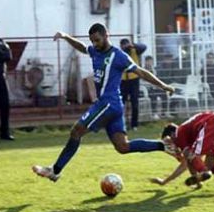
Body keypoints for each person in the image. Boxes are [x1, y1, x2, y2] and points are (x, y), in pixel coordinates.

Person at [31, 23, 174, 182]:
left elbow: (140, 72)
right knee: (123, 147)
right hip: (114, 106)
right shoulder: (95, 51)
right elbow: (83, 47)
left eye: (97, 40)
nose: (95, 44)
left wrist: (162, 85)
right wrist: (65, 36)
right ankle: (163, 146)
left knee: (77, 130)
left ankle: (55, 170)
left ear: (107, 35)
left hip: (108, 104)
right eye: (93, 41)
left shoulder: (118, 56)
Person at [150, 111, 214, 191]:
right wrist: (198, 181)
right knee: (209, 166)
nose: (170, 146)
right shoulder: (186, 133)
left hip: (212, 124)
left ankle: (203, 173)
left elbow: (185, 163)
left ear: (171, 135)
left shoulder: (178, 134)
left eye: (169, 142)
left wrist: (165, 181)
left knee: (196, 161)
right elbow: (190, 162)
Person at [120, 38, 147, 131]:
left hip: (134, 80)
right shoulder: (119, 53)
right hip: (123, 81)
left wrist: (133, 45)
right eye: (123, 45)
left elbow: (144, 47)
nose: (125, 47)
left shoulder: (135, 50)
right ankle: (121, 124)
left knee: (134, 103)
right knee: (121, 104)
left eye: (126, 45)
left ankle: (134, 125)